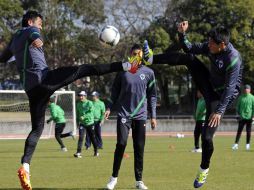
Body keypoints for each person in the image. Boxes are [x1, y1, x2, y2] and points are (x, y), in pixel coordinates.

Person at [0, 10, 138, 190]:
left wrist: (14, 54)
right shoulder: (29, 31)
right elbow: (33, 34)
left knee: (37, 129)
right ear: (30, 21)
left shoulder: (13, 40)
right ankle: (126, 65)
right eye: (40, 23)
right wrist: (36, 37)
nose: (41, 27)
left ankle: (25, 166)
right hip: (44, 79)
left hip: (32, 91)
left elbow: (2, 58)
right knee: (85, 69)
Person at [144, 21, 243, 188]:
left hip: (221, 97)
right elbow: (189, 47)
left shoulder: (234, 59)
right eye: (209, 41)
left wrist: (218, 111)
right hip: (209, 85)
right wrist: (182, 34)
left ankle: (204, 169)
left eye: (212, 43)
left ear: (223, 45)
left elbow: (230, 89)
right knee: (188, 57)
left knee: (206, 137)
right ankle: (150, 58)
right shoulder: (212, 45)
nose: (208, 45)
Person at [105, 44, 157, 190]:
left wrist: (153, 116)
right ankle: (113, 178)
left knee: (139, 148)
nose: (137, 56)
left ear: (143, 56)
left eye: (139, 54)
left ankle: (139, 181)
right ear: (130, 54)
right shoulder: (124, 70)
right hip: (124, 114)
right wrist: (109, 107)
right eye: (134, 53)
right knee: (121, 144)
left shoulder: (149, 73)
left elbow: (152, 95)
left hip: (140, 116)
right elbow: (114, 91)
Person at [74, 91, 98, 158]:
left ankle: (96, 151)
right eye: (80, 96)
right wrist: (77, 123)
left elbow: (91, 112)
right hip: (82, 124)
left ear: (85, 96)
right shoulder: (78, 104)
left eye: (82, 96)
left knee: (92, 138)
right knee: (81, 137)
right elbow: (77, 114)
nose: (80, 97)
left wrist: (84, 116)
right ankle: (78, 152)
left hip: (90, 123)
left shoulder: (89, 103)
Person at [232, 84, 254, 151]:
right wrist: (237, 115)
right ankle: (236, 144)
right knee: (239, 131)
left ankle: (247, 144)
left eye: (247, 88)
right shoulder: (240, 97)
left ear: (250, 90)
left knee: (248, 131)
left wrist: (253, 117)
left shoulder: (252, 98)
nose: (246, 90)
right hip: (242, 117)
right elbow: (237, 107)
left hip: (249, 117)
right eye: (245, 88)